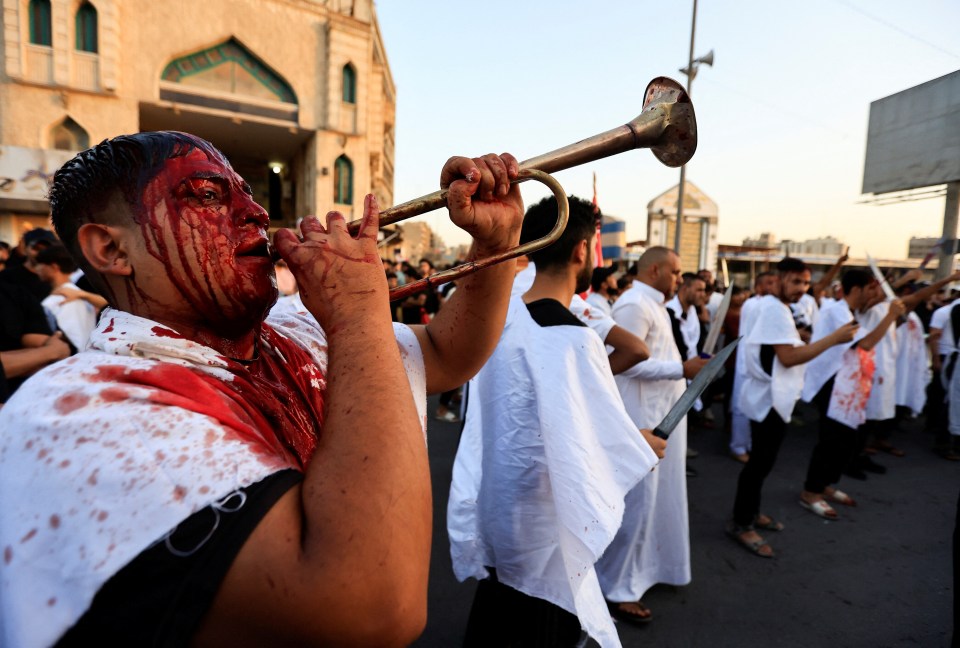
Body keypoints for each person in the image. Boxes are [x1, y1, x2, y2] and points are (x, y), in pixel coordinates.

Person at [0, 131, 525, 646]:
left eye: (247, 194)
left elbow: (444, 352)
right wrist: (359, 316)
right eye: (208, 197)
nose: (253, 213)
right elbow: (372, 608)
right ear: (112, 248)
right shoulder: (79, 412)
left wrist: (497, 245)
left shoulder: (294, 325)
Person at [448, 194, 663, 647]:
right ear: (582, 250)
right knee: (540, 621)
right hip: (545, 521)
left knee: (498, 614)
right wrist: (641, 443)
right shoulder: (575, 340)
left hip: (498, 500)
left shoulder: (498, 320)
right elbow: (589, 449)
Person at [596, 246, 708, 624]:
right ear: (655, 269)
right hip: (642, 420)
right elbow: (624, 366)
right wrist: (681, 368)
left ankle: (646, 571)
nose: (681, 279)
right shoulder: (633, 304)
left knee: (659, 502)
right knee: (638, 507)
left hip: (665, 417)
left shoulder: (655, 303)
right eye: (676, 272)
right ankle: (617, 587)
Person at [728, 258, 857, 558]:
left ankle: (750, 512)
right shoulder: (774, 307)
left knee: (762, 463)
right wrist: (833, 339)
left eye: (806, 282)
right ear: (779, 279)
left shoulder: (778, 308)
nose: (803, 288)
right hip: (769, 399)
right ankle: (742, 522)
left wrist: (808, 340)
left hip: (773, 397)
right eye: (797, 281)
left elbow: (783, 346)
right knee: (759, 465)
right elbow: (787, 357)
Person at [798, 269, 903, 520]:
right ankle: (810, 492)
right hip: (830, 383)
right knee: (831, 440)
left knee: (844, 438)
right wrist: (890, 316)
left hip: (844, 385)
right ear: (856, 289)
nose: (875, 295)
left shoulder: (848, 311)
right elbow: (864, 344)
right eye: (871, 289)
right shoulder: (837, 311)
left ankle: (824, 484)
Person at [35, 243, 100, 352]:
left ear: (54, 267)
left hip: (72, 358)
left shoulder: (55, 301)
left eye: (40, 264)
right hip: (88, 355)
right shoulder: (80, 294)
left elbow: (72, 338)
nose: (37, 269)